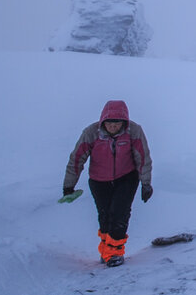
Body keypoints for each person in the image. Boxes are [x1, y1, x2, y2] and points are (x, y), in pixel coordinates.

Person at [63, 100, 153, 266]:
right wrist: (69, 185)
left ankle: (115, 254)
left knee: (120, 214)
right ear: (103, 121)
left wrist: (146, 183)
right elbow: (77, 159)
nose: (113, 126)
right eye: (110, 122)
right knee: (105, 217)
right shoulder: (91, 133)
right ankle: (106, 252)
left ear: (123, 122)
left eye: (117, 123)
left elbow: (143, 158)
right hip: (99, 181)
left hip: (126, 178)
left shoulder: (134, 131)